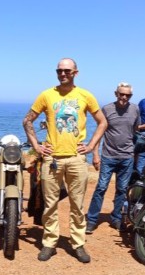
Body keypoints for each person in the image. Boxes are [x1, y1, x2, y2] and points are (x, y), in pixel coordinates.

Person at [23, 58, 107, 263]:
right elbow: (27, 120)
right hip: (52, 158)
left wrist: (90, 146)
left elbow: (102, 122)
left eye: (67, 71)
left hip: (77, 159)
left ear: (75, 72)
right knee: (50, 204)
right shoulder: (47, 95)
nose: (63, 74)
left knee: (77, 205)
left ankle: (78, 244)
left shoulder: (85, 95)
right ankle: (49, 243)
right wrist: (37, 146)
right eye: (59, 70)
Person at [85, 82, 139, 234]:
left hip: (126, 157)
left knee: (122, 189)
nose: (124, 97)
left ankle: (116, 218)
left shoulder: (135, 109)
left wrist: (134, 154)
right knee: (101, 188)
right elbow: (99, 132)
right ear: (116, 94)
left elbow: (135, 131)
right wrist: (95, 154)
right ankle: (92, 220)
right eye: (121, 94)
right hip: (108, 156)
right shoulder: (107, 109)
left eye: (128, 95)